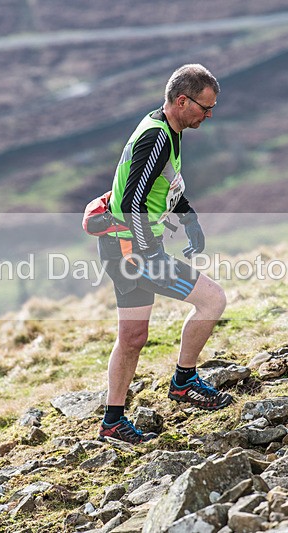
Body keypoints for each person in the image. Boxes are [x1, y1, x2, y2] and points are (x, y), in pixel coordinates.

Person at [97, 64, 232, 444]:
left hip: (119, 245)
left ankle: (113, 422)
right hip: (132, 248)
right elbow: (130, 200)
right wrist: (145, 251)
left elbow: (164, 183)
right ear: (182, 100)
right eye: (205, 108)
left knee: (133, 337)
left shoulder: (166, 129)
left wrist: (188, 220)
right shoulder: (158, 137)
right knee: (212, 300)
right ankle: (185, 382)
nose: (209, 115)